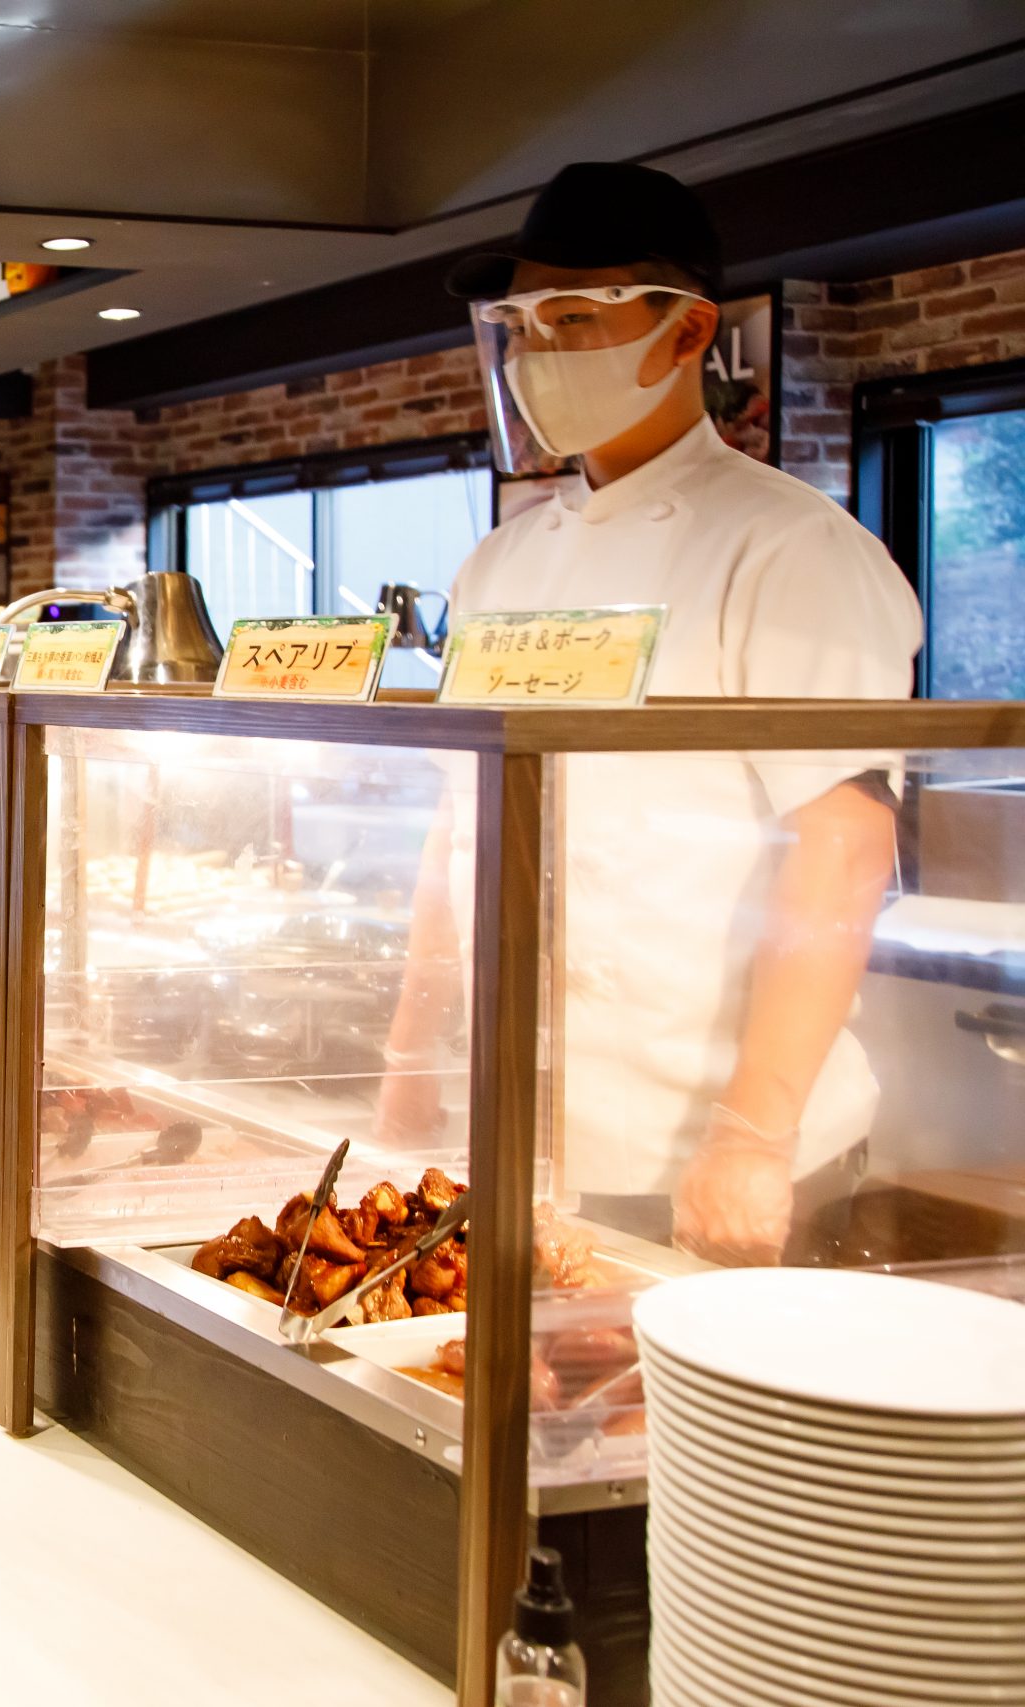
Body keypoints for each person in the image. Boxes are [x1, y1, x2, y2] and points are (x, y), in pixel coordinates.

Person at [379, 162, 921, 1266]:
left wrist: (753, 1133)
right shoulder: (500, 561)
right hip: (528, 1131)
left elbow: (844, 838)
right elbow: (463, 827)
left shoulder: (792, 547)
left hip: (717, 1150)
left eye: (573, 318)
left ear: (684, 337)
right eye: (520, 327)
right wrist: (407, 1069)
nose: (538, 356)